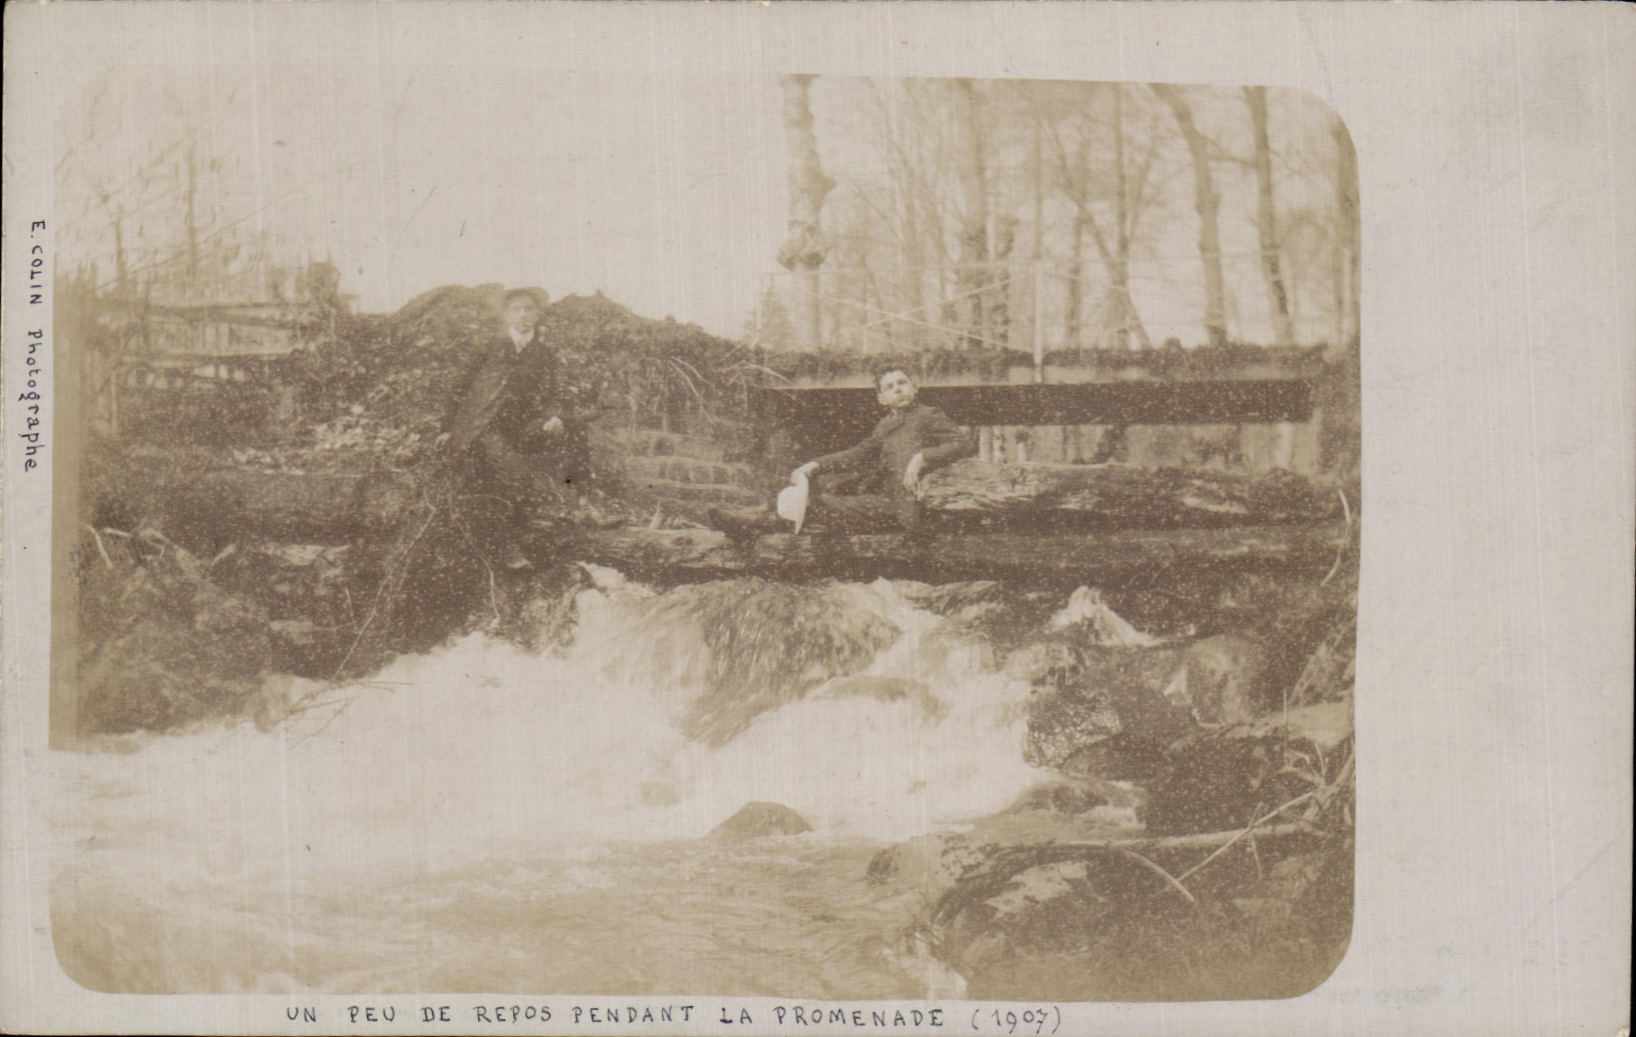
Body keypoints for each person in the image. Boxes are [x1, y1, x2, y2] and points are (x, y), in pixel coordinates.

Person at [712, 368, 976, 537]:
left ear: (914, 389)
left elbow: (963, 444)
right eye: (890, 387)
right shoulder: (885, 426)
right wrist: (815, 464)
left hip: (908, 507)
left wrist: (922, 457)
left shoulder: (928, 416)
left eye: (903, 383)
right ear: (882, 399)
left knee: (819, 505)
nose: (898, 389)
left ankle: (753, 525)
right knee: (817, 498)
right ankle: (754, 522)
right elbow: (857, 454)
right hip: (883, 501)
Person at [444, 286, 599, 569]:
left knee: (574, 426)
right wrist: (446, 427)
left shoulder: (543, 354)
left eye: (529, 309)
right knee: (514, 474)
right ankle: (507, 547)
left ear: (538, 314)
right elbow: (460, 386)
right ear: (507, 315)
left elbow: (552, 392)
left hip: (519, 426)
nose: (523, 315)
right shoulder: (489, 345)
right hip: (483, 424)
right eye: (517, 310)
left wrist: (554, 417)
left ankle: (584, 500)